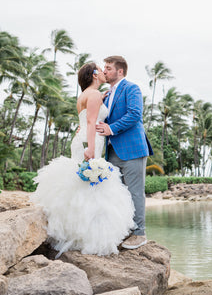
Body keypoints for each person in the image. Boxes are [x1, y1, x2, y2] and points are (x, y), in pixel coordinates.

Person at [31, 62, 135, 258]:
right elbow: (90, 121)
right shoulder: (94, 94)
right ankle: (91, 237)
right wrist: (91, 148)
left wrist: (101, 98)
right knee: (92, 187)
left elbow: (88, 116)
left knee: (82, 185)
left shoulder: (87, 94)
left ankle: (76, 232)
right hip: (90, 141)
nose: (104, 72)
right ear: (95, 74)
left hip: (84, 139)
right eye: (101, 69)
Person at [96, 56, 153, 250]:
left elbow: (134, 114)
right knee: (118, 194)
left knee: (135, 192)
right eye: (104, 67)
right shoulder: (107, 94)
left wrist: (110, 129)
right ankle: (124, 231)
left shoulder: (132, 88)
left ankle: (139, 234)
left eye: (109, 68)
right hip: (111, 151)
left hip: (132, 149)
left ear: (120, 71)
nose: (105, 71)